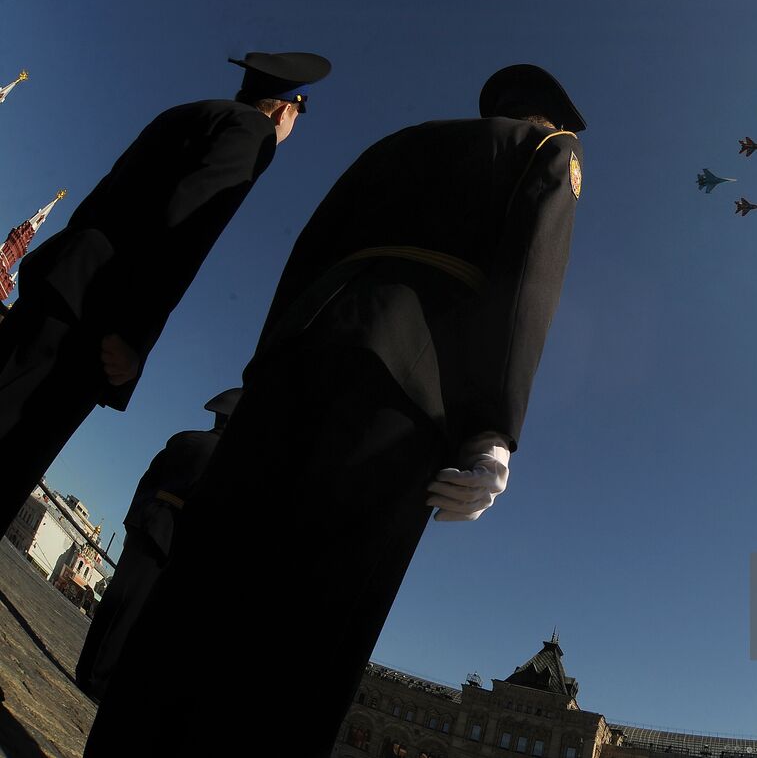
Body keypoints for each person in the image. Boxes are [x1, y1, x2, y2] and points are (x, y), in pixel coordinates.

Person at [85, 64, 586, 757]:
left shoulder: (397, 143)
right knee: (314, 631)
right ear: (546, 118)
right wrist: (495, 430)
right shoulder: (547, 151)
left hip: (294, 359)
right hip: (405, 388)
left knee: (203, 588)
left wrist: (264, 367)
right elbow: (528, 280)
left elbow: (306, 253)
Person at [0, 52, 331, 529]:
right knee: (13, 453)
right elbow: (186, 229)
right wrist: (132, 334)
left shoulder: (189, 113)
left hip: (60, 282)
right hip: (97, 316)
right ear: (284, 110)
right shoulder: (251, 134)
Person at [75, 387, 241, 700]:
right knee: (133, 613)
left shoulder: (183, 439)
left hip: (145, 523)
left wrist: (134, 521)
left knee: (113, 602)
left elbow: (146, 482)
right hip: (170, 539)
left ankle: (85, 669)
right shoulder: (225, 461)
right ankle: (101, 681)